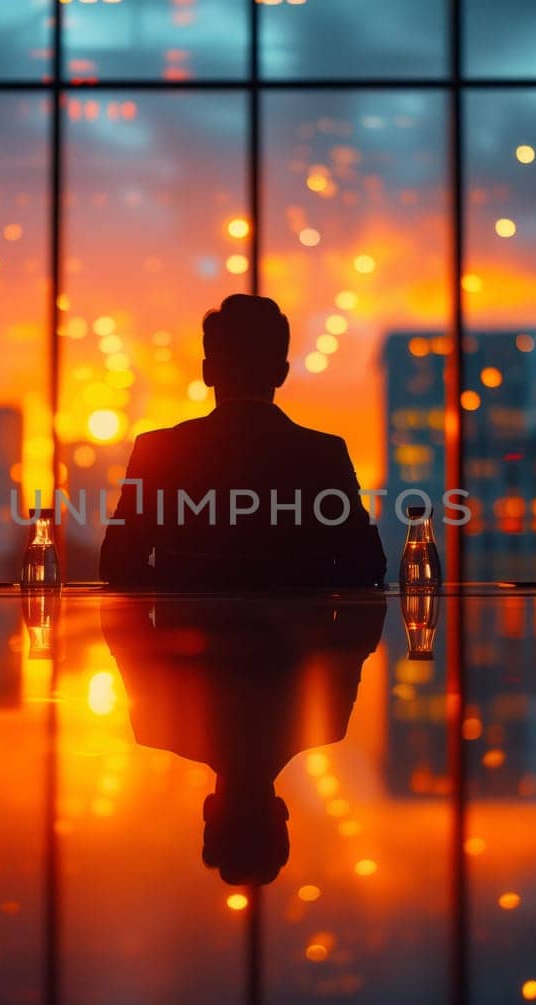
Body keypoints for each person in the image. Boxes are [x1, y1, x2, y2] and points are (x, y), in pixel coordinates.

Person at [99, 294, 386, 588]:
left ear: (207, 372)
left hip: (185, 629)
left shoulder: (158, 452)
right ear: (281, 374)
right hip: (297, 631)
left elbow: (117, 564)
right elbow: (367, 566)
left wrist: (188, 586)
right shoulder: (325, 454)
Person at [101, 593, 385, 885]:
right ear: (209, 809)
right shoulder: (157, 724)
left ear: (280, 811)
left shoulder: (329, 720)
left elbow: (366, 607)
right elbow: (120, 607)